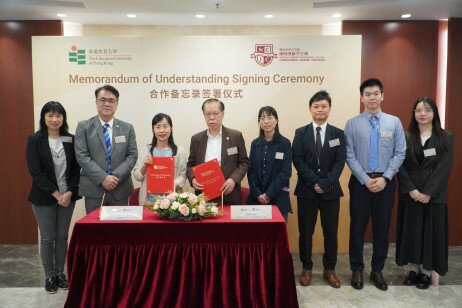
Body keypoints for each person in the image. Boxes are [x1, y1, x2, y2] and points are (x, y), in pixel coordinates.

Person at [345, 78, 406, 291]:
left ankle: (377, 270)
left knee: (382, 228)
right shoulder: (352, 124)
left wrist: (385, 178)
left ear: (382, 95)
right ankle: (357, 269)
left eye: (375, 93)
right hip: (360, 182)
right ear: (362, 98)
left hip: (386, 183)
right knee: (357, 228)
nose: (372, 97)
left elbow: (400, 152)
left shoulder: (394, 122)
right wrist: (364, 179)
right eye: (367, 94)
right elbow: (349, 155)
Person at [396, 97, 453, 289]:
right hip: (410, 193)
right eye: (418, 110)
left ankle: (427, 273)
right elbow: (399, 165)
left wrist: (428, 192)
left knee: (430, 234)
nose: (423, 114)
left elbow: (444, 168)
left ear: (434, 113)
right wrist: (411, 189)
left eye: (427, 110)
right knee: (412, 233)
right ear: (414, 114)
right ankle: (413, 270)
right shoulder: (405, 137)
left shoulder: (445, 137)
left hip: (433, 196)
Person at [292, 90, 346, 288]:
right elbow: (297, 159)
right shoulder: (300, 132)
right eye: (316, 106)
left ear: (329, 109)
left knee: (330, 231)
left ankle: (329, 269)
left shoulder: (338, 134)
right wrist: (315, 181)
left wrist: (325, 183)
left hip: (330, 192)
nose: (320, 110)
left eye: (324, 106)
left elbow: (340, 162)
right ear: (310, 109)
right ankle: (307, 268)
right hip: (306, 191)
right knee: (305, 232)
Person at [26, 101, 81, 293]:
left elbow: (76, 169)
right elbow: (36, 172)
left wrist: (69, 192)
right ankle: (49, 276)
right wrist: (57, 193)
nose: (54, 119)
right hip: (44, 197)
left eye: (58, 115)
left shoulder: (71, 139)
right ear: (43, 117)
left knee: (62, 236)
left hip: (68, 197)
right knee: (48, 238)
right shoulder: (35, 140)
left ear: (63, 118)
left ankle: (60, 274)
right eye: (50, 115)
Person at [75, 85, 138, 214]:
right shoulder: (84, 127)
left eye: (111, 100)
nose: (107, 104)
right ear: (96, 102)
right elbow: (82, 156)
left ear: (117, 104)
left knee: (119, 231)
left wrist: (113, 178)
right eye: (103, 100)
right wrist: (103, 178)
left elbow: (132, 155)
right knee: (95, 231)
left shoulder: (127, 128)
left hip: (120, 188)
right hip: (94, 187)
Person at [187, 98, 249, 205]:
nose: (211, 117)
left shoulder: (235, 136)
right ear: (204, 115)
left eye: (215, 113)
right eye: (207, 114)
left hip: (229, 194)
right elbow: (190, 165)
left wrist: (233, 179)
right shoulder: (196, 139)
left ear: (222, 114)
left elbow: (244, 162)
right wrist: (192, 179)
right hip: (203, 197)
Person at [247, 106, 292, 221]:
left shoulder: (285, 143)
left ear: (276, 121)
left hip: (278, 199)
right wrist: (258, 194)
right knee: (255, 238)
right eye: (262, 118)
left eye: (270, 117)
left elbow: (285, 173)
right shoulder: (255, 143)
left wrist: (268, 194)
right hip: (256, 200)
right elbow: (250, 171)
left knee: (277, 238)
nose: (266, 121)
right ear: (259, 122)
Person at [133, 113, 187, 204]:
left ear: (171, 128)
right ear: (153, 129)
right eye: (158, 127)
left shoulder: (179, 151)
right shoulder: (146, 150)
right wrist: (144, 166)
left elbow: (183, 175)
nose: (162, 130)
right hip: (148, 201)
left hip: (172, 202)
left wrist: (174, 182)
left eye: (165, 126)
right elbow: (137, 176)